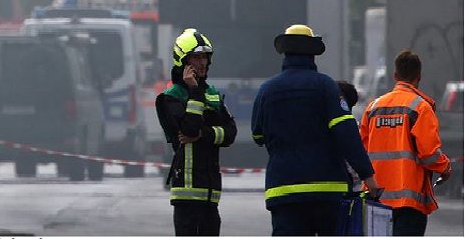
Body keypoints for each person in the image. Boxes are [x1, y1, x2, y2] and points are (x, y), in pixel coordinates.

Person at [251, 24, 378, 236]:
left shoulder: (267, 90)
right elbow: (346, 133)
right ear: (312, 54)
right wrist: (368, 176)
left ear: (285, 53)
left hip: (283, 191)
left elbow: (258, 135)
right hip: (326, 192)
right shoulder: (326, 87)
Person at [360, 49, 452, 236]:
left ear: (395, 75)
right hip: (409, 204)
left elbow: (361, 150)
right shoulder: (420, 108)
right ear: (419, 76)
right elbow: (429, 154)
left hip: (375, 198)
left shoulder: (373, 108)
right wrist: (445, 168)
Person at [155, 28, 237, 236]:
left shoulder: (212, 94)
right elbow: (188, 128)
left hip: (211, 195)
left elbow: (230, 133)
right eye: (196, 57)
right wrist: (195, 91)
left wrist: (204, 134)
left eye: (205, 57)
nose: (202, 63)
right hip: (187, 197)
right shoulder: (171, 97)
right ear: (183, 61)